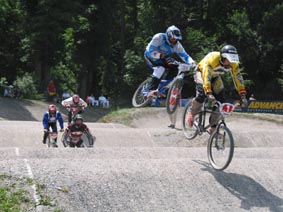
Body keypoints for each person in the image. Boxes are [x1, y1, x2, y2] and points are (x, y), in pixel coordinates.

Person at [187, 45, 248, 133]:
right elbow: (206, 76)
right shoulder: (212, 59)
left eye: (232, 60)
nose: (231, 63)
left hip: (215, 76)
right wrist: (209, 92)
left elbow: (238, 78)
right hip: (201, 72)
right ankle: (192, 113)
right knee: (202, 94)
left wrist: (242, 94)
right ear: (223, 58)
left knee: (221, 100)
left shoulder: (233, 63)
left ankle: (213, 126)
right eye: (229, 60)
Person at [144, 25, 195, 97]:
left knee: (175, 68)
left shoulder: (177, 45)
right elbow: (150, 51)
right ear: (168, 35)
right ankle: (149, 90)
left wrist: (193, 63)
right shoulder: (159, 37)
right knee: (160, 69)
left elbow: (185, 56)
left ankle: (161, 88)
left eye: (176, 39)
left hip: (162, 59)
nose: (174, 41)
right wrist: (159, 55)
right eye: (173, 39)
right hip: (150, 57)